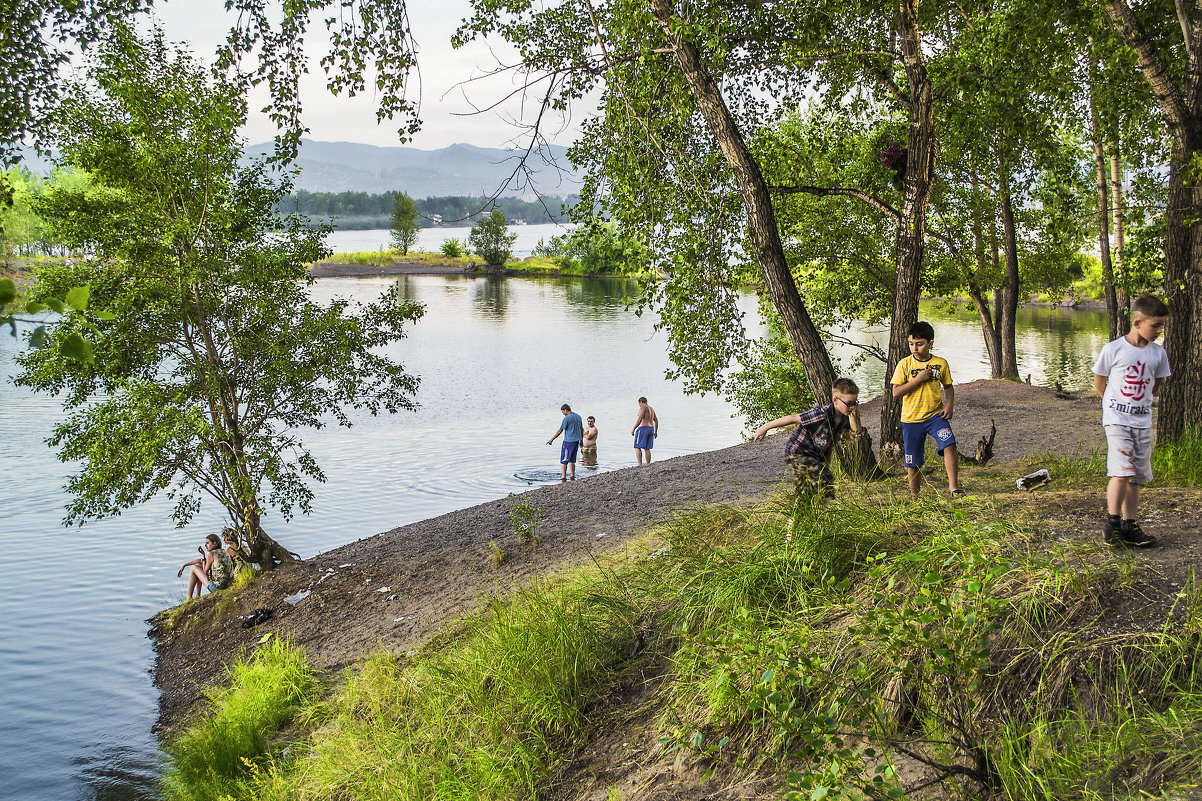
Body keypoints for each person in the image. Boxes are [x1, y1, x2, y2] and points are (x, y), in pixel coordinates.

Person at [1092, 294, 1171, 548]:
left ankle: (1130, 524)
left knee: (1135, 476)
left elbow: (1156, 385)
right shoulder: (1113, 349)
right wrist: (1115, 408)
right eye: (1155, 326)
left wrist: (1139, 404)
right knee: (1121, 471)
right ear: (1137, 323)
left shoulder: (1158, 353)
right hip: (1117, 421)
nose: (1159, 331)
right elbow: (1100, 382)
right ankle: (1112, 523)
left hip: (1143, 422)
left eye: (1161, 326)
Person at [891, 321, 964, 499]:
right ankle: (915, 496)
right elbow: (896, 393)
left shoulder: (940, 363)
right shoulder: (904, 364)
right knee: (912, 460)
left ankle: (954, 488)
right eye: (911, 344)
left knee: (949, 443)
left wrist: (949, 406)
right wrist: (918, 379)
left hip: (935, 417)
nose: (914, 348)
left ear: (930, 343)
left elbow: (948, 387)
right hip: (911, 419)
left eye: (919, 343)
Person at [753, 378, 860, 498]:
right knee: (824, 482)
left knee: (808, 490)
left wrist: (826, 463)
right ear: (835, 400)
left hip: (815, 455)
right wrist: (765, 427)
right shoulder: (820, 414)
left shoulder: (844, 419)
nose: (852, 407)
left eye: (855, 403)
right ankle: (816, 508)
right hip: (798, 452)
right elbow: (793, 418)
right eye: (849, 403)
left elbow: (831, 444)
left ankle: (805, 510)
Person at [177, 533, 235, 599]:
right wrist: (185, 565)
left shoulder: (212, 554)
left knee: (194, 568)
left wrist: (203, 556)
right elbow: (202, 561)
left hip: (217, 587)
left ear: (214, 543)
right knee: (198, 565)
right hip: (228, 584)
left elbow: (205, 571)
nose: (205, 545)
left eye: (207, 543)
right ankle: (197, 596)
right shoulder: (223, 551)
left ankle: (189, 597)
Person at [547, 403, 584, 480]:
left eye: (562, 412)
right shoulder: (578, 417)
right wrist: (581, 440)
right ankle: (572, 475)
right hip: (576, 441)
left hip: (568, 441)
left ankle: (563, 477)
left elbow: (560, 430)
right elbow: (581, 429)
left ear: (565, 410)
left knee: (564, 459)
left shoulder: (566, 418)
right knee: (572, 460)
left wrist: (551, 439)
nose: (563, 414)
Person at [631, 397, 659, 465]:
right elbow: (656, 420)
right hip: (651, 429)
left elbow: (640, 418)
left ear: (641, 402)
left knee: (637, 446)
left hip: (643, 429)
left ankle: (639, 464)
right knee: (647, 448)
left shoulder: (643, 408)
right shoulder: (651, 409)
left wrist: (634, 428)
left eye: (639, 403)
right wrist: (655, 431)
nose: (639, 405)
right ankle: (648, 464)